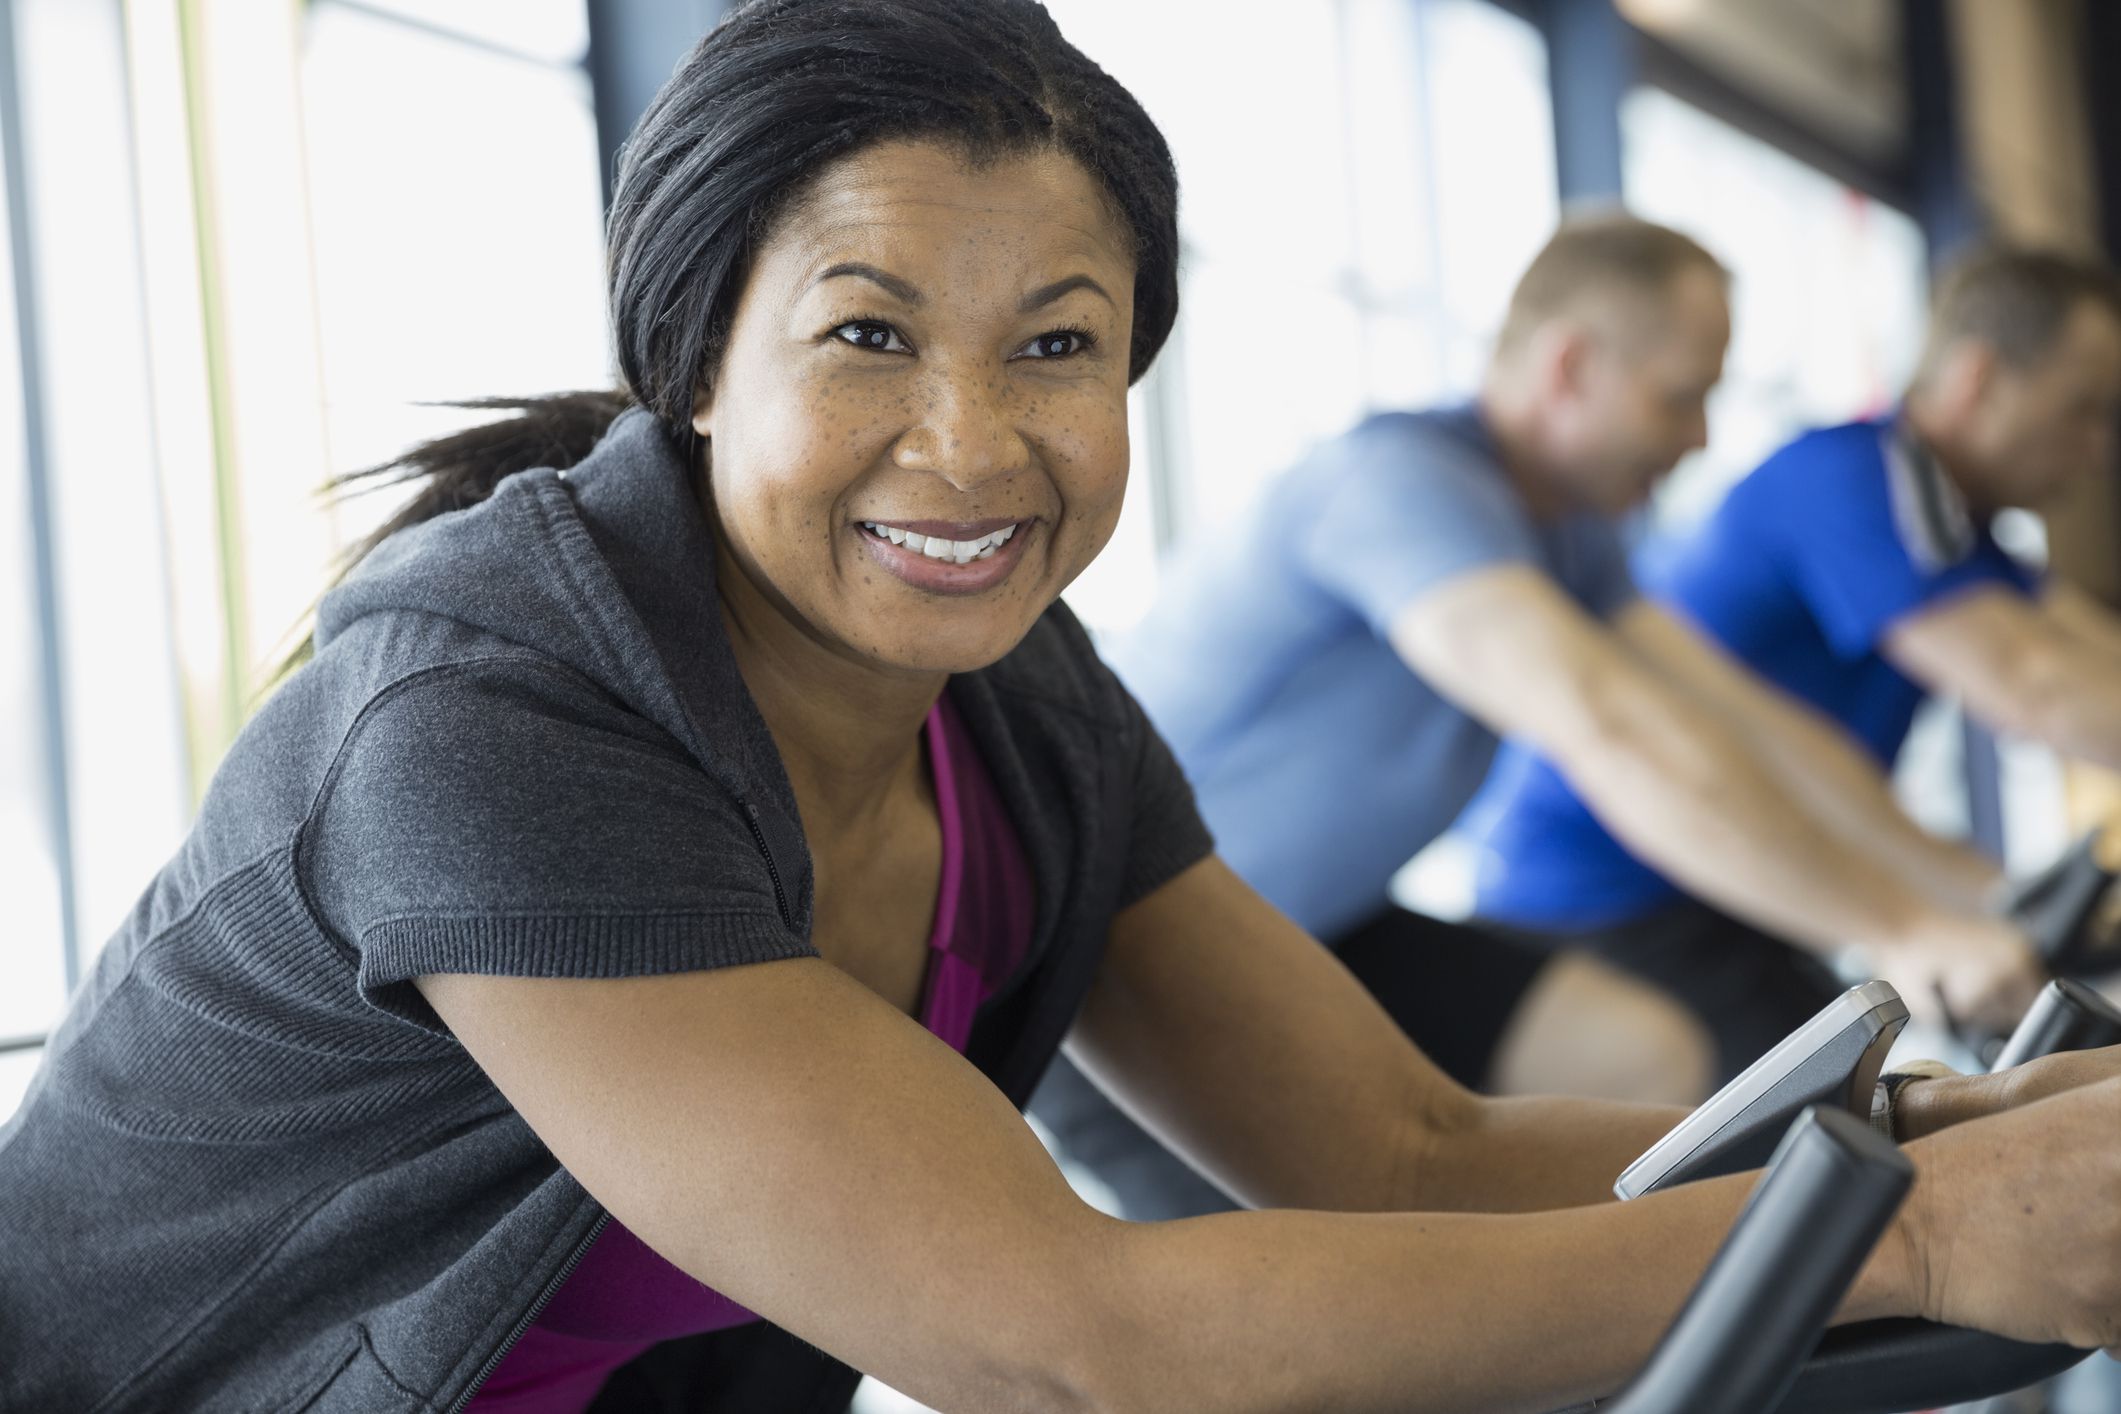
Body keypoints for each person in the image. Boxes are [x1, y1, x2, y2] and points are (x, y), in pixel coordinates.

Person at [5, 5, 2121, 1412]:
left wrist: (1930, 1135)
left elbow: (1395, 1146)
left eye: (1056, 344)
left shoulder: (1014, 697)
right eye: (865, 331)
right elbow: (1068, 1339)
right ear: (697, 359)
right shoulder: (497, 715)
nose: (970, 444)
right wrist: (1916, 1235)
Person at [1034, 216, 2046, 1223]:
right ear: (1569, 365)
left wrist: (1964, 890)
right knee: (1325, 1332)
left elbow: (1751, 725)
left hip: (1313, 932)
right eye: (1682, 397)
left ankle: (1620, 1366)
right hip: (1120, 965)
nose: (1698, 438)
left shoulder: (1569, 535)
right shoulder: (1398, 485)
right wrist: (1893, 928)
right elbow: (1608, 726)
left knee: (1645, 1054)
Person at [1466, 246, 2121, 1073]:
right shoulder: (1850, 478)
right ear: (1978, 379)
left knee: (1923, 1106)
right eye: (2081, 409)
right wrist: (1917, 919)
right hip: (1612, 906)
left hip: (1741, 890)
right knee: (1888, 1142)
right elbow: (2035, 687)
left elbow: (1806, 754)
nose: (2097, 448)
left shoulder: (1958, 532)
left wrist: (1970, 892)